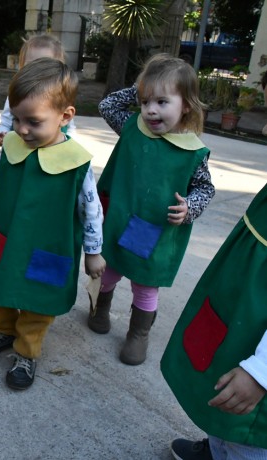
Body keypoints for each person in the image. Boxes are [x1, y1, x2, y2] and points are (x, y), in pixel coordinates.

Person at [0, 58, 106, 390]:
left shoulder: (76, 162)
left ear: (65, 116)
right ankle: (4, 331)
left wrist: (94, 252)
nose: (21, 129)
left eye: (33, 122)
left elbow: (92, 210)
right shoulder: (13, 146)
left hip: (49, 246)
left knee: (37, 301)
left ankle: (26, 351)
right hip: (6, 237)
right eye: (16, 119)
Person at [88, 53, 215, 366]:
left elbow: (205, 188)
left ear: (186, 104)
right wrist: (142, 87)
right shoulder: (133, 126)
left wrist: (190, 207)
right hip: (120, 216)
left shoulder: (192, 152)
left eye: (162, 101)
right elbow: (107, 105)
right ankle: (100, 308)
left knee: (145, 283)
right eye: (146, 102)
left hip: (155, 227)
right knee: (109, 270)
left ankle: (138, 334)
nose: (151, 110)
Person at [161, 182, 267, 460]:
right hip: (241, 312)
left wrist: (262, 371)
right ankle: (219, 448)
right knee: (222, 392)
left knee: (248, 430)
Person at [0, 34, 76, 146]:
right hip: (19, 146)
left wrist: (68, 144)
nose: (37, 70)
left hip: (53, 151)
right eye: (31, 65)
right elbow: (6, 119)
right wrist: (3, 133)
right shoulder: (18, 93)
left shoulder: (61, 94)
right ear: (22, 66)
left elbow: (70, 126)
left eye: (45, 64)